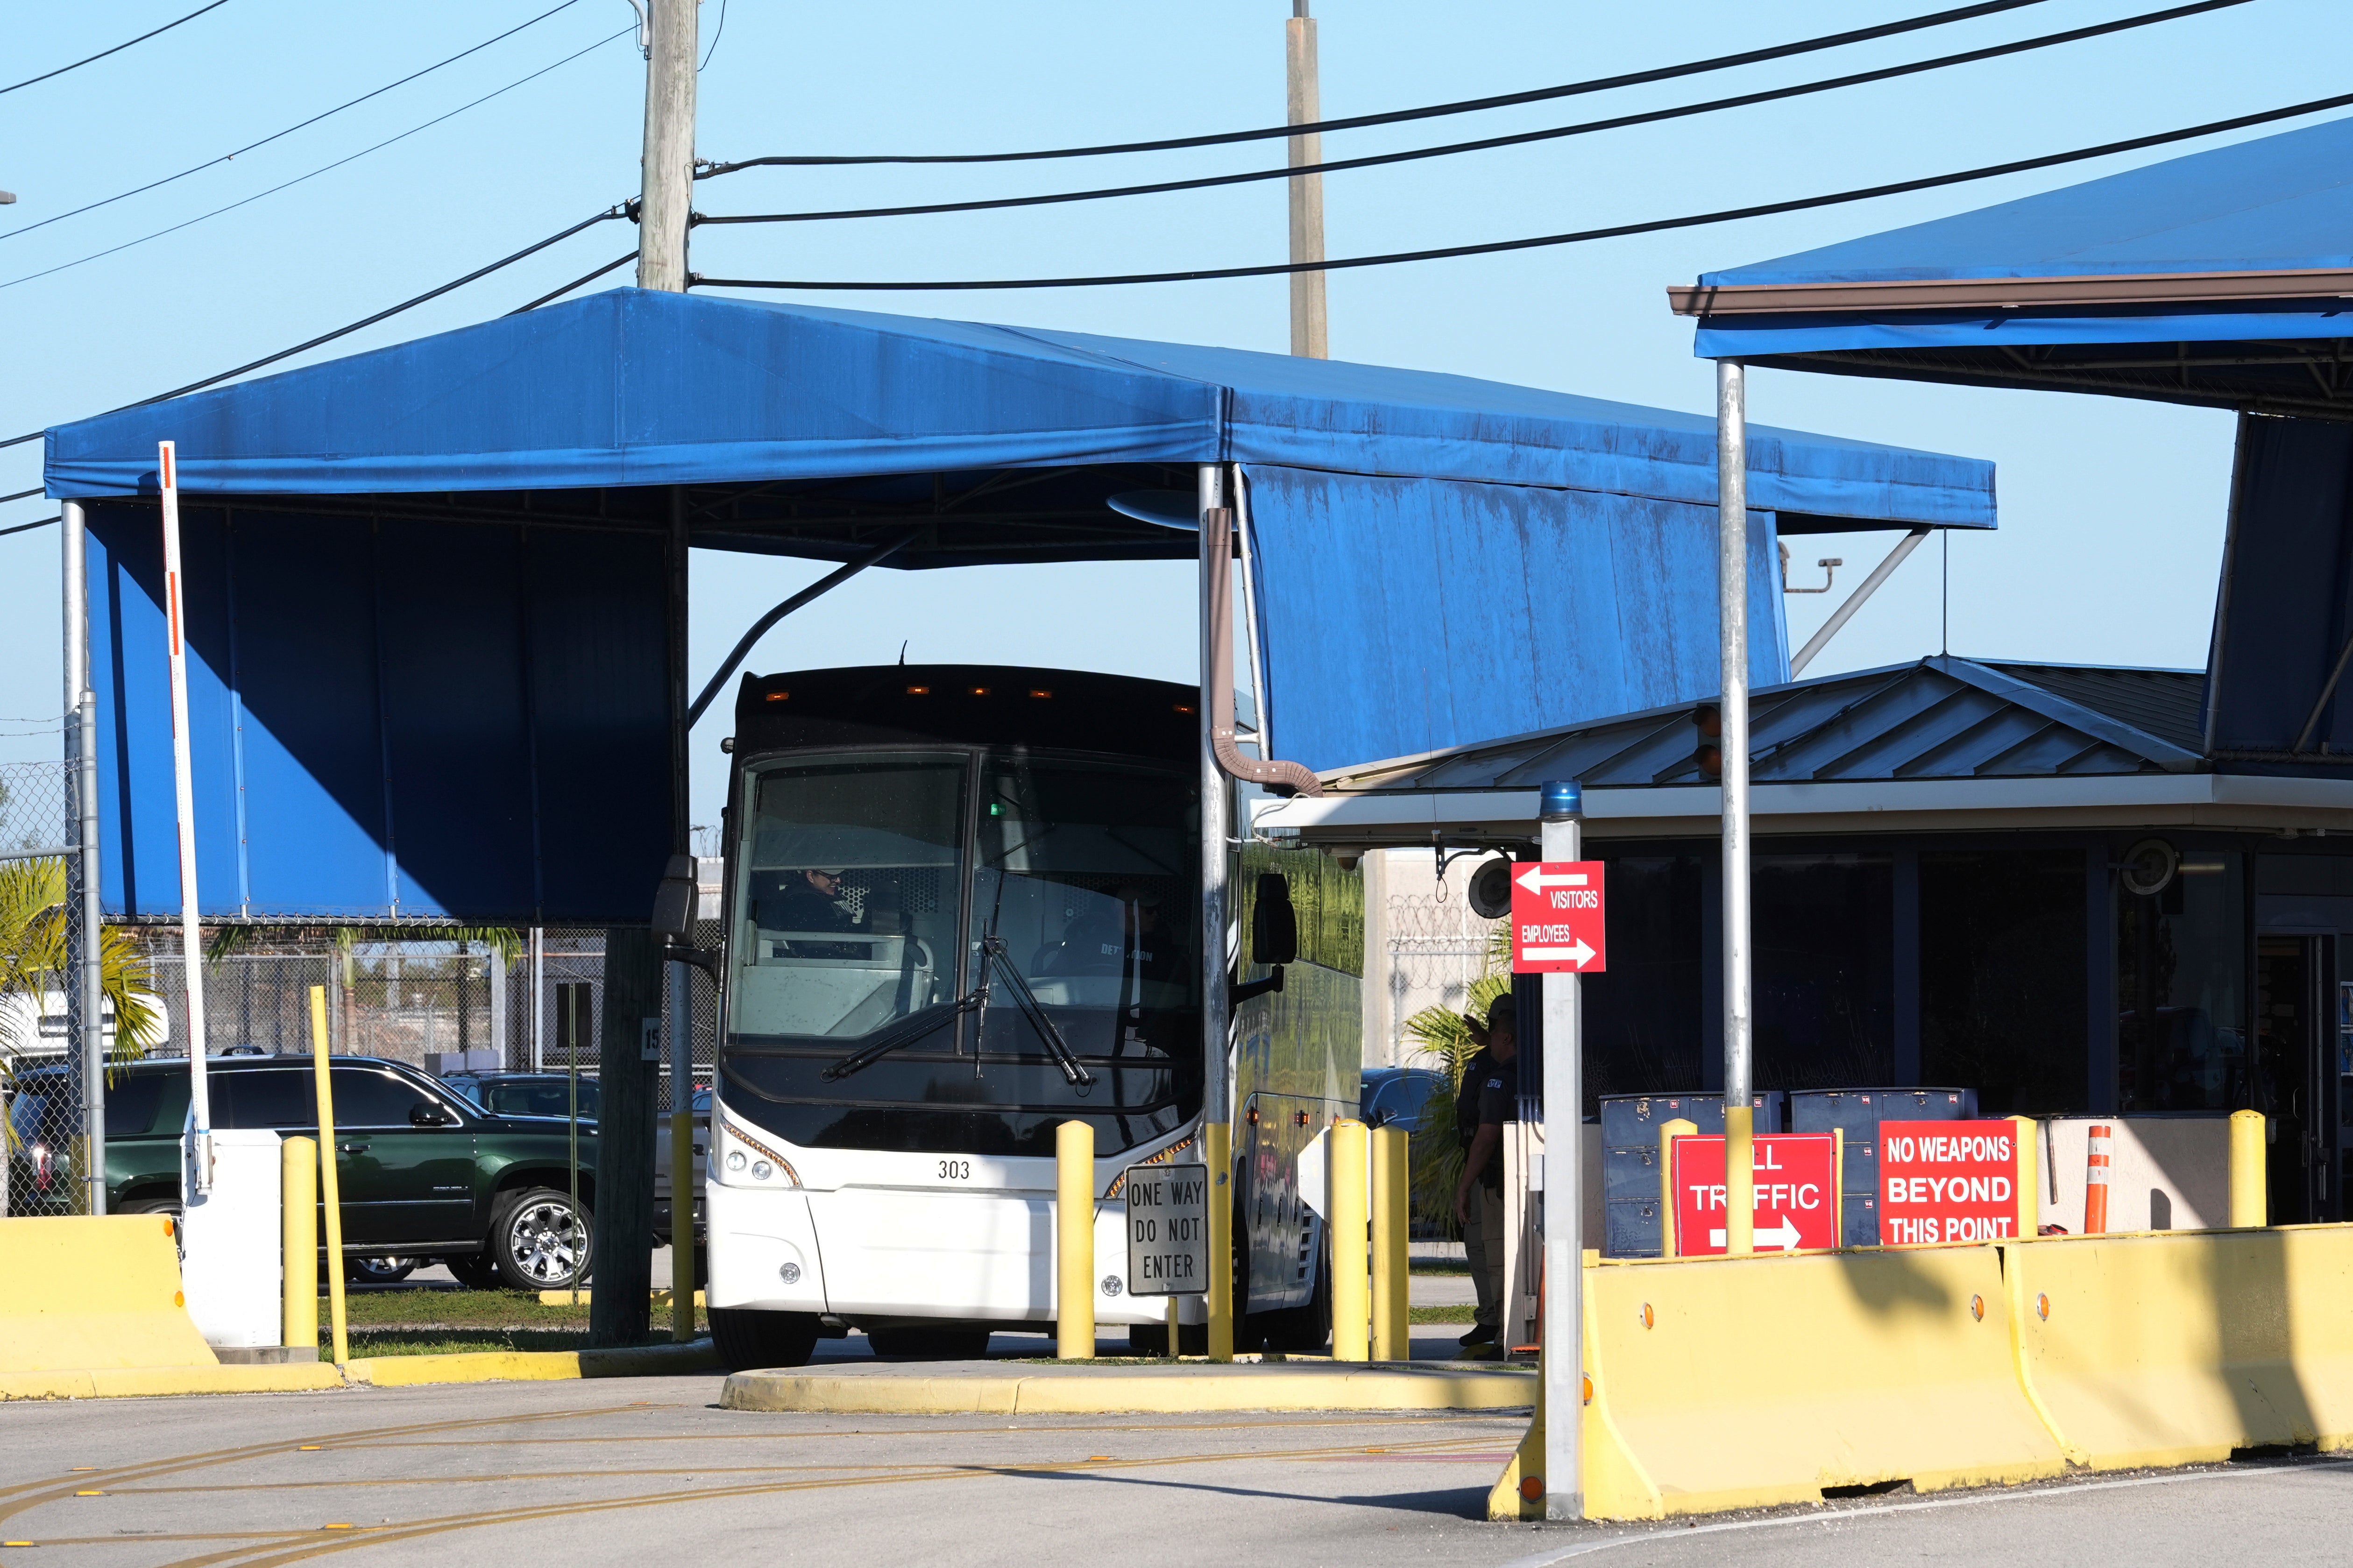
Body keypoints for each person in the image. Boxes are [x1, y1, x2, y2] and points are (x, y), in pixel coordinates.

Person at [1452, 991, 1518, 1358]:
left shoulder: (1502, 1076)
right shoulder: (1494, 1065)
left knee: (1498, 1255)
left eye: (1492, 1029)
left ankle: (1504, 1335)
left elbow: (1487, 1134)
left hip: (1496, 1176)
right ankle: (1495, 1323)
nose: (1486, 1034)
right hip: (1491, 1175)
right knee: (1483, 1248)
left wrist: (1463, 1185)